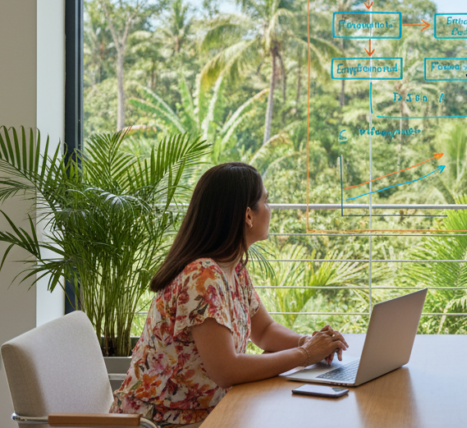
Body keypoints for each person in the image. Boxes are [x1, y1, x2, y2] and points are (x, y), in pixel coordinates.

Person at [111, 162, 348, 426]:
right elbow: (226, 370)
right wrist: (305, 354)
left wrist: (311, 341)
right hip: (162, 421)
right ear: (248, 215)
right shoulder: (202, 277)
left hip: (210, 412)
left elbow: (265, 331)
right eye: (266, 202)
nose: (270, 210)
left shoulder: (232, 268)